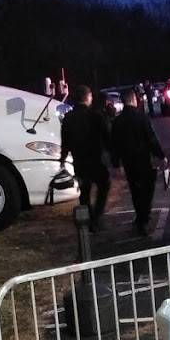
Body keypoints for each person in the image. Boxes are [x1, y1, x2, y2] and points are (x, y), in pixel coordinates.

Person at [110, 86, 165, 235]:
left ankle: (140, 216)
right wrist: (161, 156)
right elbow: (151, 139)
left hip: (128, 162)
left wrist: (116, 163)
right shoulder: (141, 118)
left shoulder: (118, 121)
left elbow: (114, 144)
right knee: (147, 190)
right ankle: (143, 218)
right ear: (133, 99)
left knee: (135, 190)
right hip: (143, 160)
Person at [60, 83, 111, 230]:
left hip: (79, 161)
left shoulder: (68, 118)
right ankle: (96, 216)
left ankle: (87, 219)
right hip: (96, 159)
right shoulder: (95, 115)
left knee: (85, 191)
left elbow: (65, 141)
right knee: (104, 185)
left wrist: (63, 159)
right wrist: (113, 155)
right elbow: (106, 136)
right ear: (87, 97)